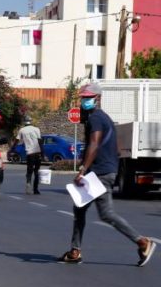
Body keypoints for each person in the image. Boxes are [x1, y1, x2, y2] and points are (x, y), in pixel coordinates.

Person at [59, 83, 156, 266]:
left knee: (107, 214)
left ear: (98, 98)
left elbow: (94, 144)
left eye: (88, 97)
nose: (84, 101)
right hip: (102, 171)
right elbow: (117, 147)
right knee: (79, 208)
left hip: (100, 173)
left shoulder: (96, 118)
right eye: (83, 97)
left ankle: (142, 242)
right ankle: (75, 250)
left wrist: (82, 170)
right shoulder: (105, 118)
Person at [10, 116, 43, 194]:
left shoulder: (22, 130)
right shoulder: (37, 129)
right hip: (37, 152)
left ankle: (28, 185)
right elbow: (40, 141)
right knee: (36, 171)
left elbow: (17, 140)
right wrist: (43, 153)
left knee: (29, 171)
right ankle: (36, 189)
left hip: (30, 153)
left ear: (24, 122)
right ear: (31, 121)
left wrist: (12, 149)